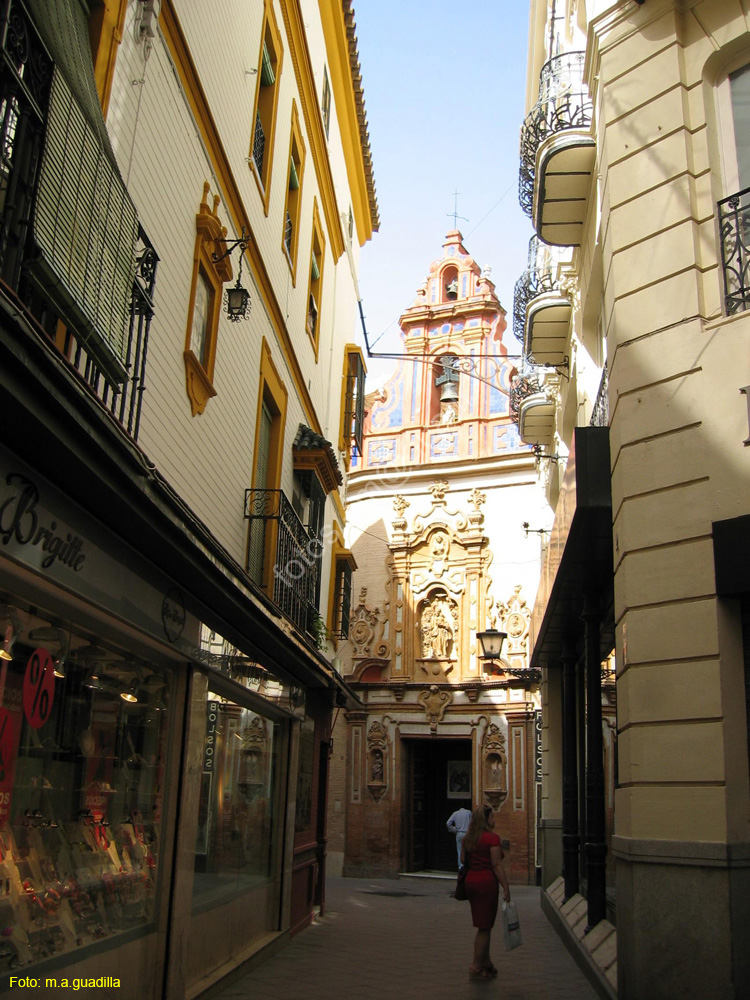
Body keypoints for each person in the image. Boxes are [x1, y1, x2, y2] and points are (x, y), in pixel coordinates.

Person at [461, 803, 511, 981]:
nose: (494, 819)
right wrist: (506, 886)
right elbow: (496, 865)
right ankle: (476, 965)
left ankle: (486, 962)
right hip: (486, 884)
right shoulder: (492, 838)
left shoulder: (468, 839)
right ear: (486, 820)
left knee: (485, 924)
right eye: (492, 817)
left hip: (471, 883)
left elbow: (462, 860)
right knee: (484, 926)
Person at [446, 802, 472, 868]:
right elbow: (472, 822)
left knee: (459, 850)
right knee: (468, 849)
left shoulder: (455, 813)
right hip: (467, 833)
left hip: (459, 833)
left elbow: (448, 823)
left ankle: (461, 866)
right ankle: (468, 865)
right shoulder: (468, 812)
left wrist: (453, 829)